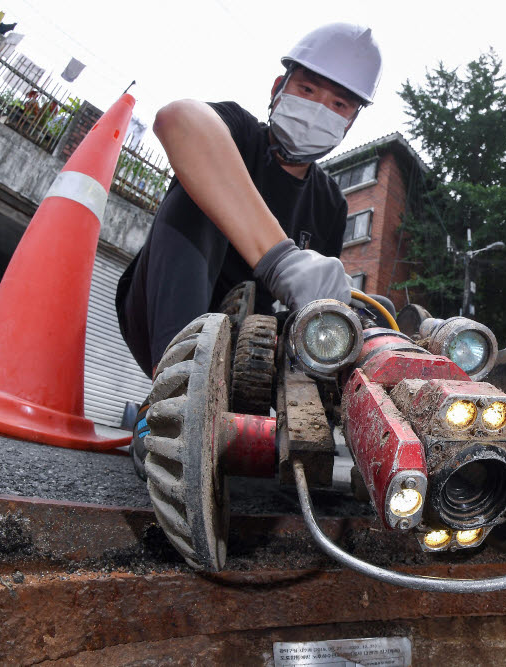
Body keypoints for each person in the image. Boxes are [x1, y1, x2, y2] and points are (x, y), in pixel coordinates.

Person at [117, 22, 381, 478]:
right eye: (308, 89)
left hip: (247, 358)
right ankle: (171, 401)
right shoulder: (238, 134)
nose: (319, 108)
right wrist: (280, 257)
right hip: (164, 321)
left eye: (338, 104)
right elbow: (177, 119)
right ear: (279, 88)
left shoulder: (331, 205)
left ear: (350, 121)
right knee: (196, 201)